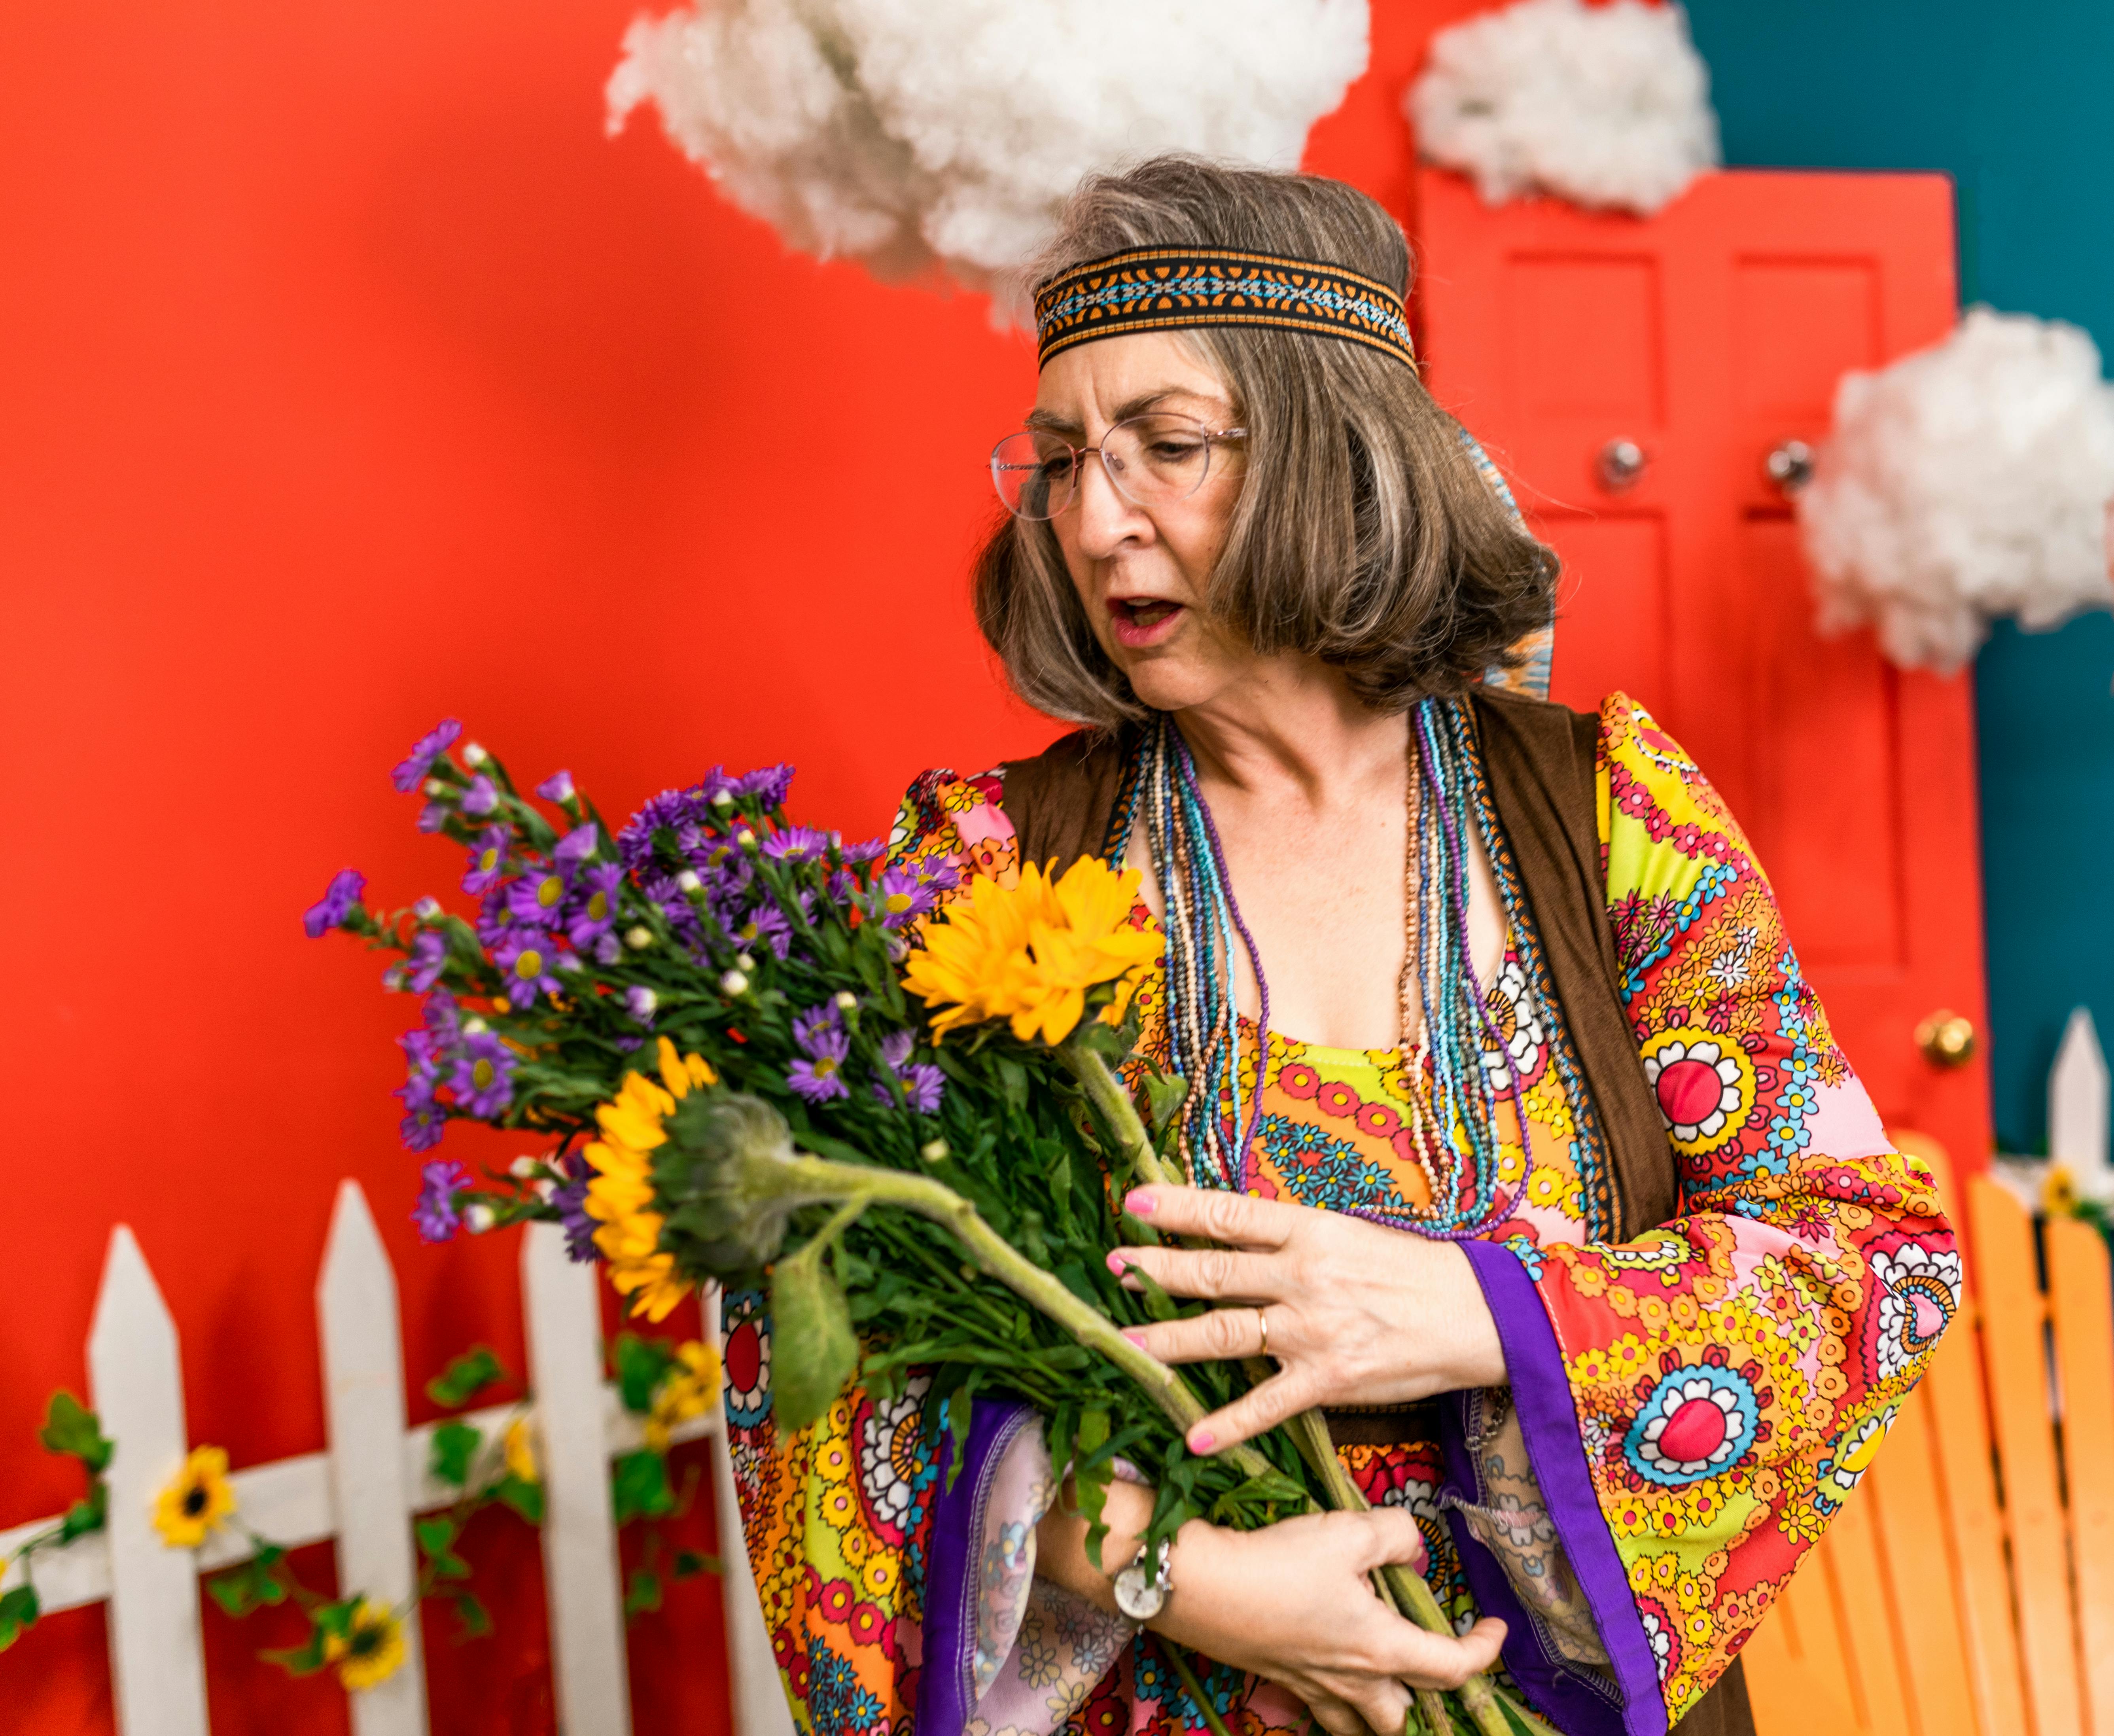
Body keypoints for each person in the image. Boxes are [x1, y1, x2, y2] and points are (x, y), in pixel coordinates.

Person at [720, 155, 1962, 1736]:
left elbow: (1859, 1255)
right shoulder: (981, 867)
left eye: (1165, 447)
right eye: (1057, 460)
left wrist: (1474, 1314)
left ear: (1335, 455)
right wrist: (1169, 1577)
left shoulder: (1606, 819)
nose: (1096, 522)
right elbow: (835, 1354)